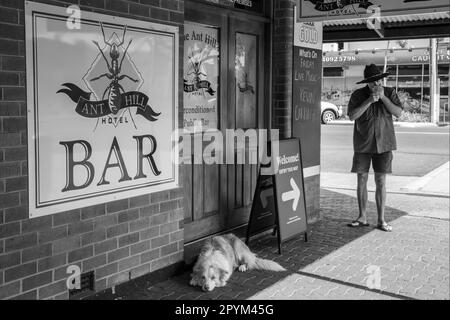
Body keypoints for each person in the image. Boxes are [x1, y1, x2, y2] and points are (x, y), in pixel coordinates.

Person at [347, 64, 403, 232]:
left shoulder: (390, 92)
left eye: (378, 80)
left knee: (380, 181)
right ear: (367, 83)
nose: (376, 84)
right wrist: (369, 100)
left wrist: (383, 98)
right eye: (372, 82)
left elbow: (398, 113)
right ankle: (362, 217)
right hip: (363, 144)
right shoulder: (358, 95)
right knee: (361, 179)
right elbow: (352, 116)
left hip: (384, 144)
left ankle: (381, 220)